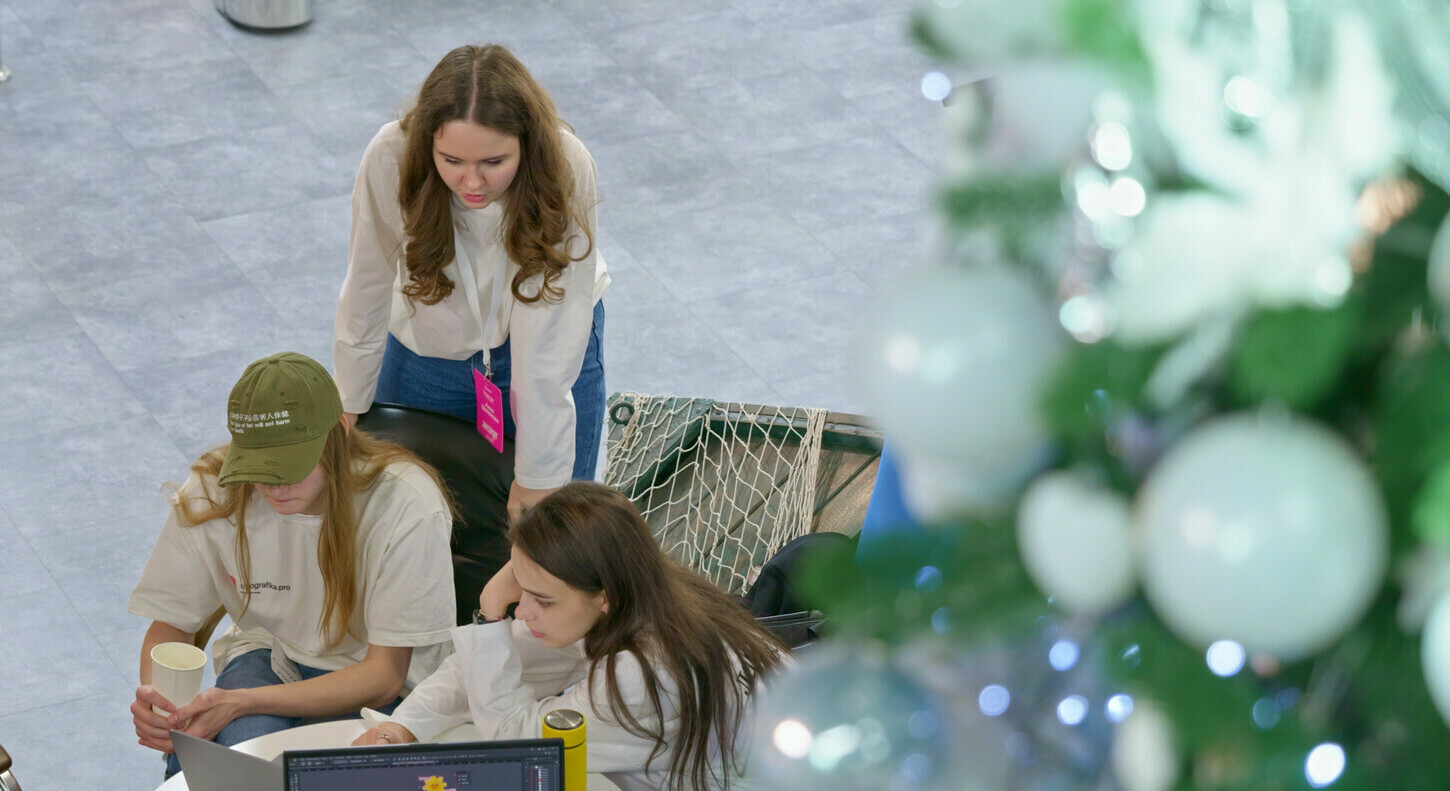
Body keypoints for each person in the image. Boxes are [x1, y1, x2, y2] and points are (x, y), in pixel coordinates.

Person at [128, 352, 458, 778]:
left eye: (292, 466)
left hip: (371, 681)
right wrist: (159, 703)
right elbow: (171, 624)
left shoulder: (405, 504)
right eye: (259, 468)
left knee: (316, 776)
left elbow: (384, 677)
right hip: (270, 652)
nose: (275, 486)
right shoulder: (213, 490)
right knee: (235, 770)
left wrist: (241, 702)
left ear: (339, 434)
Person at [353, 482, 789, 791]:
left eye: (542, 600)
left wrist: (489, 615)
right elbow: (481, 669)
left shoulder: (644, 673)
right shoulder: (644, 593)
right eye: (521, 588)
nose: (522, 611)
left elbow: (520, 742)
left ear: (604, 596)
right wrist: (403, 725)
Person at [334, 43, 609, 521]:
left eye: (494, 163)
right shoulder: (390, 156)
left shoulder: (566, 164)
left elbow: (550, 334)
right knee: (409, 518)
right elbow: (367, 280)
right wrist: (346, 398)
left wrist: (538, 472)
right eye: (452, 161)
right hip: (426, 351)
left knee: (552, 526)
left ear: (527, 145)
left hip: (552, 349)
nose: (472, 183)